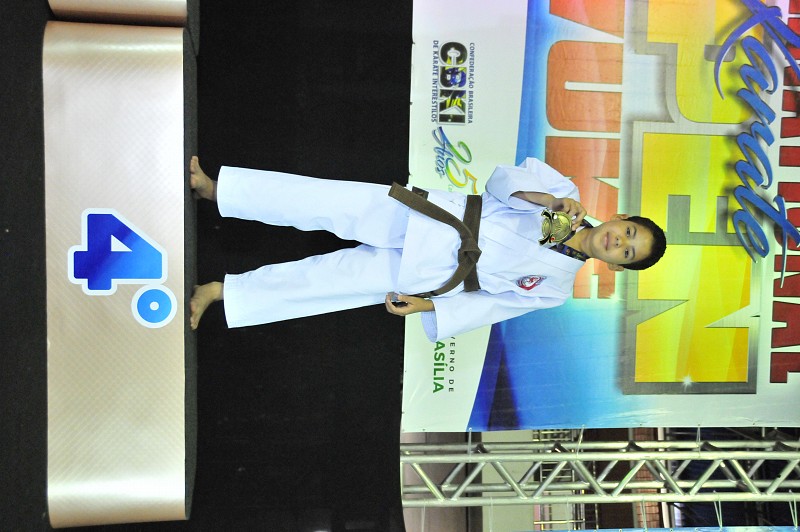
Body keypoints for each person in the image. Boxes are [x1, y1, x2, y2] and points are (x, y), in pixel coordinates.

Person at [189, 156, 666, 341]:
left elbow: (491, 306)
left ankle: (220, 292)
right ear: (621, 217)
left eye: (627, 253)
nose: (619, 243)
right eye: (628, 233)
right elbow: (501, 180)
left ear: (617, 268)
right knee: (320, 200)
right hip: (431, 214)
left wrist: (428, 307)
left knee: (324, 283)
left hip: (435, 274)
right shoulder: (564, 191)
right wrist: (547, 200)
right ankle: (217, 189)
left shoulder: (555, 289)